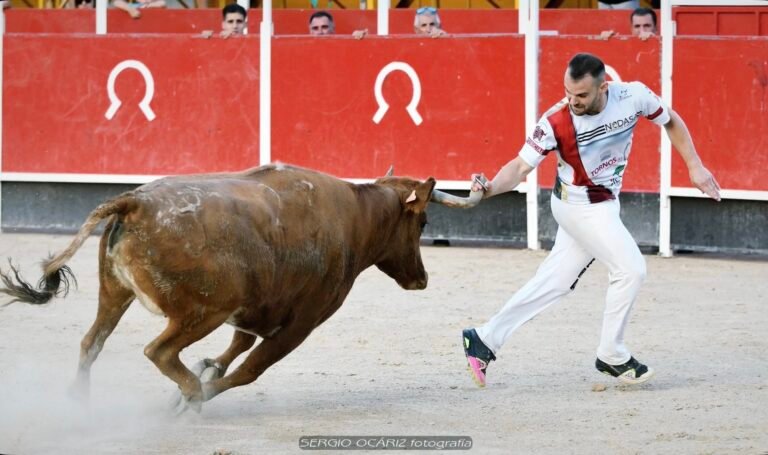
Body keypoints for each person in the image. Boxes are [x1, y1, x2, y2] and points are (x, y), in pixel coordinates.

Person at [461, 53, 721, 388]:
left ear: (603, 88)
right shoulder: (555, 121)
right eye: (569, 92)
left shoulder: (633, 96)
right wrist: (490, 189)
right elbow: (519, 168)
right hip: (577, 207)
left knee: (555, 281)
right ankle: (611, 353)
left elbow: (671, 120)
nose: (573, 101)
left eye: (582, 95)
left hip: (602, 205)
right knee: (631, 268)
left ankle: (483, 338)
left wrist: (695, 166)